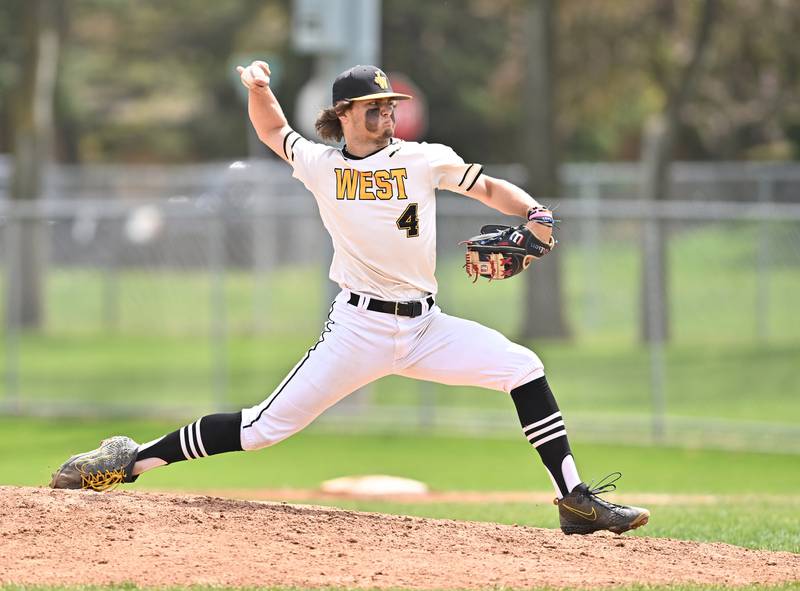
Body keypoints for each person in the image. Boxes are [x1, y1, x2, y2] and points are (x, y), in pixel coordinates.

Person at [50, 62, 649, 536]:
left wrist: (535, 213)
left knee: (523, 367)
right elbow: (271, 131)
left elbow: (488, 186)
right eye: (375, 106)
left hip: (425, 328)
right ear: (344, 114)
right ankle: (128, 461)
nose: (388, 114)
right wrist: (259, 85)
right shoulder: (319, 164)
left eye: (391, 106)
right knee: (263, 428)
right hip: (357, 330)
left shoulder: (421, 158)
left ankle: (575, 501)